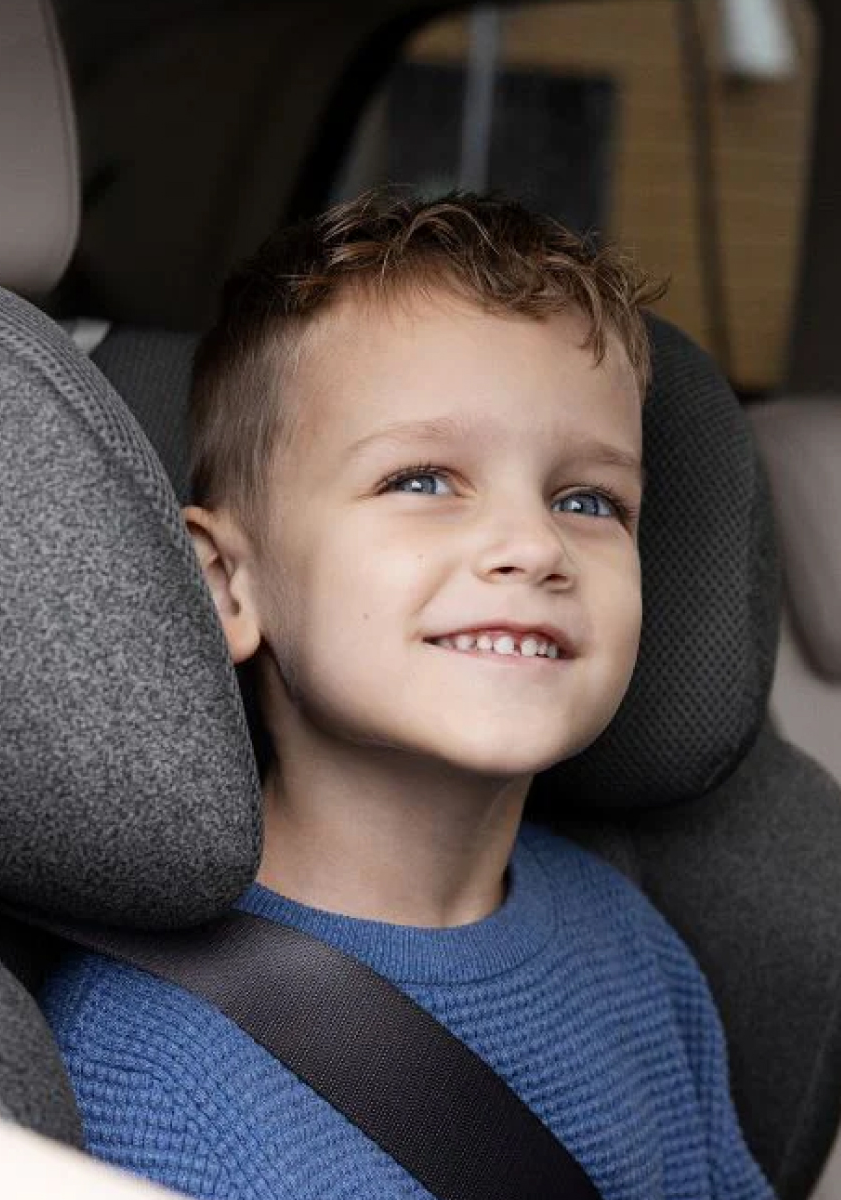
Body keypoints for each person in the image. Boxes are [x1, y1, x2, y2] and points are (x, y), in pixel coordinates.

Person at [38, 189, 774, 1199]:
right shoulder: (154, 1067)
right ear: (227, 585)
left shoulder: (631, 945)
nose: (533, 545)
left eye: (589, 500)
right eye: (423, 480)